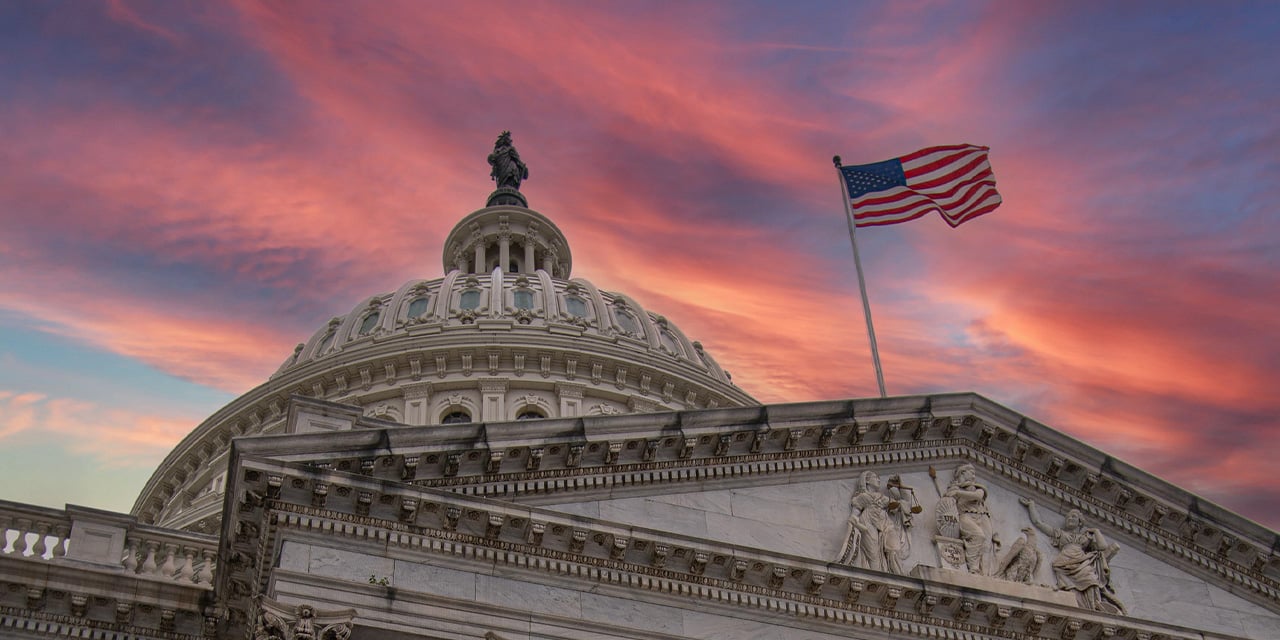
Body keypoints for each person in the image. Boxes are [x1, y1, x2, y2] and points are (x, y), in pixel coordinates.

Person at [1020, 498, 1125, 614]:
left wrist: (1095, 531)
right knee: (1071, 589)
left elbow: (1103, 547)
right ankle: (1082, 607)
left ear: (1080, 522)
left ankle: (1093, 606)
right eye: (1068, 517)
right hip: (1064, 563)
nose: (1070, 518)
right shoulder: (1060, 534)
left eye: (1073, 517)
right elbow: (1038, 523)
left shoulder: (1085, 537)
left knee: (1091, 580)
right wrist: (1031, 505)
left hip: (1082, 561)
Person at [837, 471, 907, 574]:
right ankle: (878, 576)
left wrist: (901, 486)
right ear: (867, 480)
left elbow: (904, 505)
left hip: (885, 523)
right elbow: (854, 515)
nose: (878, 480)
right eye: (875, 477)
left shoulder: (883, 498)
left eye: (879, 478)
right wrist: (857, 524)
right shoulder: (863, 497)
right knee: (873, 554)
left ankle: (898, 573)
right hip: (867, 522)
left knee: (894, 547)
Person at [943, 463, 995, 574]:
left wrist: (957, 493)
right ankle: (973, 568)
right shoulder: (953, 488)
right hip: (964, 516)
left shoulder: (978, 488)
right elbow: (946, 506)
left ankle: (985, 573)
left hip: (981, 516)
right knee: (978, 535)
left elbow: (978, 496)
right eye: (971, 473)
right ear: (963, 472)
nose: (973, 476)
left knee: (986, 545)